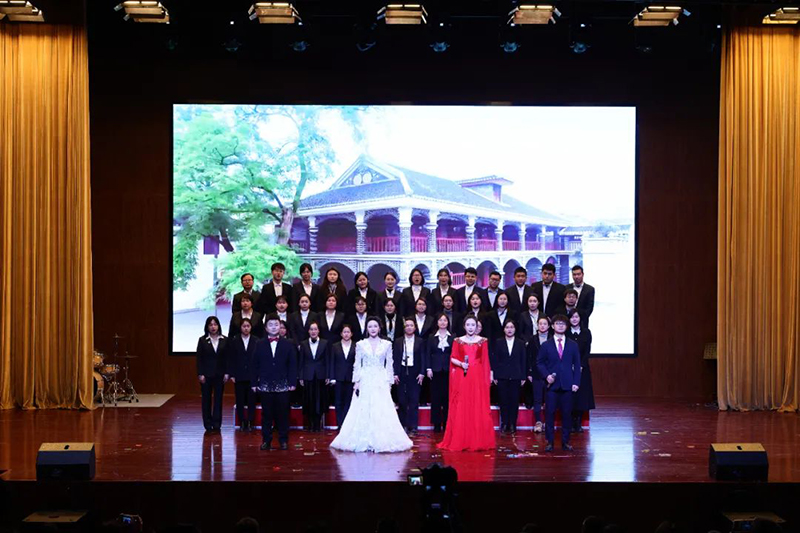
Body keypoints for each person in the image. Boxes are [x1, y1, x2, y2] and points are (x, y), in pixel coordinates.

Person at [330, 317, 413, 452]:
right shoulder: (361, 344)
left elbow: (389, 364)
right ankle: (363, 439)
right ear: (366, 329)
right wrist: (356, 381)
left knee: (381, 408)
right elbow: (357, 364)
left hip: (380, 379)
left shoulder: (387, 344)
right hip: (365, 378)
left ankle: (381, 439)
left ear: (379, 328)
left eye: (375, 326)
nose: (373, 329)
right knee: (363, 408)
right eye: (370, 326)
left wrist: (389, 382)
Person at [437, 315, 494, 451]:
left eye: (473, 325)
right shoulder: (458, 341)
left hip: (477, 377)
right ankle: (461, 439)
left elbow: (485, 361)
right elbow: (452, 358)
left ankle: (476, 440)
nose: (470, 327)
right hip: (463, 376)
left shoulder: (483, 341)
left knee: (477, 405)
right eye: (468, 325)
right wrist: (462, 364)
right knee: (463, 405)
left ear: (477, 326)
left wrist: (487, 377)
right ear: (464, 326)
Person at [251, 314, 297, 450]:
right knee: (266, 414)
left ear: (280, 327)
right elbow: (255, 365)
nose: (274, 327)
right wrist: (254, 383)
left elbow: (292, 364)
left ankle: (283, 440)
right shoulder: (259, 344)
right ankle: (266, 440)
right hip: (265, 385)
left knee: (283, 414)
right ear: (266, 328)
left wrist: (292, 382)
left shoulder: (288, 344)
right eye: (270, 325)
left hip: (283, 385)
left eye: (276, 325)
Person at [536, 314, 581, 452]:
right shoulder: (546, 345)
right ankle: (549, 442)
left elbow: (577, 365)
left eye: (563, 324)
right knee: (549, 414)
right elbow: (539, 363)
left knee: (567, 414)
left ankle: (565, 442)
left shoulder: (573, 345)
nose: (560, 326)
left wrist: (576, 382)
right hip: (552, 386)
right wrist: (546, 376)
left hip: (568, 385)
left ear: (566, 326)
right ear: (552, 326)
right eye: (557, 323)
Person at [491, 321, 527, 434]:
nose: (509, 329)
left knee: (514, 401)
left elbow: (523, 360)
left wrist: (523, 376)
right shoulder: (499, 342)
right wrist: (495, 375)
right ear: (504, 329)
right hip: (502, 376)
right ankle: (505, 423)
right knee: (503, 401)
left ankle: (512, 424)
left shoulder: (520, 343)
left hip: (516, 376)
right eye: (507, 327)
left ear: (515, 329)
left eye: (512, 327)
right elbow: (495, 360)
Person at [393, 318, 426, 435]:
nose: (409, 327)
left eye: (411, 325)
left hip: (415, 372)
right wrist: (395, 373)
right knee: (402, 400)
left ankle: (413, 426)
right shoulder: (398, 341)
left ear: (415, 327)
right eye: (407, 325)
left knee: (414, 400)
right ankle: (403, 425)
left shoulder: (420, 341)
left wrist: (422, 373)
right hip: (401, 371)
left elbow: (423, 357)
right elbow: (395, 358)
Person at [196, 316, 228, 434]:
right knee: (206, 399)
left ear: (218, 326)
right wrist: (200, 373)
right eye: (210, 325)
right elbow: (199, 358)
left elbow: (228, 358)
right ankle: (207, 424)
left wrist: (227, 373)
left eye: (215, 324)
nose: (213, 327)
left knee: (218, 399)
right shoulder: (202, 340)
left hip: (220, 374)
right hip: (206, 375)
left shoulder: (225, 340)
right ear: (207, 327)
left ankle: (217, 423)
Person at [567, 309, 595, 432]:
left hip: (582, 368)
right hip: (568, 368)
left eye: (576, 317)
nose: (574, 319)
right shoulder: (566, 333)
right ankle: (570, 421)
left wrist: (580, 365)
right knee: (569, 395)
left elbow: (587, 351)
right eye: (572, 317)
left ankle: (578, 422)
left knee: (581, 394)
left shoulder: (586, 332)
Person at [228, 318, 258, 431]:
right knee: (239, 399)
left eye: (248, 326)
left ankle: (250, 421)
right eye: (244, 326)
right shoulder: (235, 340)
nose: (246, 328)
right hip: (239, 374)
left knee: (251, 400)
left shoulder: (256, 340)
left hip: (252, 375)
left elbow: (259, 359)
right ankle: (241, 422)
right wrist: (232, 374)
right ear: (240, 327)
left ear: (251, 327)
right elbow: (231, 358)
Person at [299, 322, 329, 432]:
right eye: (311, 329)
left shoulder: (325, 343)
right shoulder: (303, 344)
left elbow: (328, 360)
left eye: (315, 329)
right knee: (309, 400)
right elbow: (301, 361)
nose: (313, 331)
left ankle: (317, 424)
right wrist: (301, 376)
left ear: (318, 331)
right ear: (308, 331)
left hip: (321, 375)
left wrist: (328, 375)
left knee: (319, 400)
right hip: (308, 375)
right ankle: (310, 424)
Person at [426, 314, 452, 433]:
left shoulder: (453, 337)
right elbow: (427, 353)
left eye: (445, 320)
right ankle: (436, 424)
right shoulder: (431, 337)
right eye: (440, 320)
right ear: (437, 322)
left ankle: (447, 423)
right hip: (434, 370)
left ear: (448, 322)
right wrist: (428, 368)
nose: (442, 322)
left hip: (448, 371)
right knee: (435, 398)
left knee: (447, 398)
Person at [525, 315, 551, 432]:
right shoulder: (532, 339)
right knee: (537, 399)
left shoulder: (552, 338)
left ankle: (548, 422)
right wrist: (529, 372)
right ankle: (538, 422)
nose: (542, 326)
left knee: (549, 400)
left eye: (545, 324)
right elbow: (529, 357)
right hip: (536, 373)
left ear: (549, 326)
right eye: (540, 324)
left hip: (549, 374)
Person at [328, 323, 357, 429]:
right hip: (338, 378)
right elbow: (332, 362)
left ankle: (347, 426)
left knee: (348, 402)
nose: (346, 334)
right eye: (344, 332)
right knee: (338, 402)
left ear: (351, 334)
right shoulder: (335, 346)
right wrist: (332, 377)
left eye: (348, 332)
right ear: (341, 334)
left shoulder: (356, 346)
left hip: (351, 377)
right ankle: (340, 424)